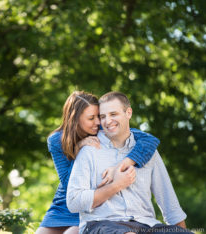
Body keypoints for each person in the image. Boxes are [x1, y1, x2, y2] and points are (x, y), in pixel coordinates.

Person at [66, 91, 192, 234]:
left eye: (113, 114)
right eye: (102, 117)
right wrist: (116, 185)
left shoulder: (147, 151)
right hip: (102, 224)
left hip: (147, 225)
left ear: (128, 113)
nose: (107, 121)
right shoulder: (89, 150)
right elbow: (73, 201)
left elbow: (168, 201)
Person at [36, 91, 160, 234]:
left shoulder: (103, 128)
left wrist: (121, 165)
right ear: (75, 119)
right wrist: (79, 149)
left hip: (96, 204)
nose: (98, 122)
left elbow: (150, 140)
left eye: (98, 116)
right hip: (64, 205)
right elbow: (68, 182)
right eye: (91, 118)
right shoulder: (56, 140)